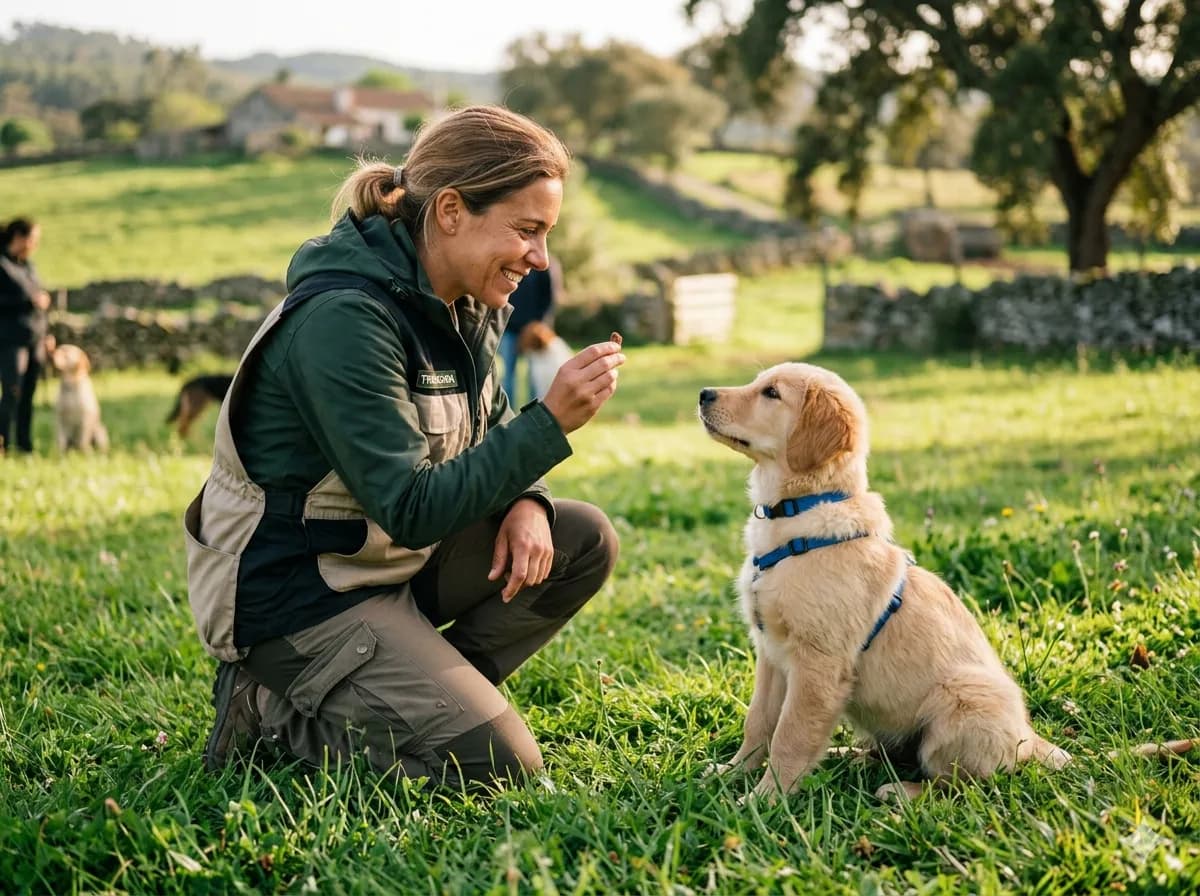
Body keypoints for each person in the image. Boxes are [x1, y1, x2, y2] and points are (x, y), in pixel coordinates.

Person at [186, 105, 626, 791]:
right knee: (501, 766)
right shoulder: (344, 320)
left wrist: (528, 501)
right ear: (450, 210)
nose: (540, 258)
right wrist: (552, 424)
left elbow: (492, 423)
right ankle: (269, 708)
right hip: (300, 594)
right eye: (528, 229)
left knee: (580, 539)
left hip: (383, 568)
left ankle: (419, 694)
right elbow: (411, 508)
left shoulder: (464, 302)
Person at [0, 218, 52, 455]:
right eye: (33, 239)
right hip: (10, 339)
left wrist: (47, 333)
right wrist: (27, 301)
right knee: (12, 392)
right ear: (19, 238)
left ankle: (24, 444)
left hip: (35, 338)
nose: (35, 245)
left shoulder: (28, 266)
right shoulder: (2, 265)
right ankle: (3, 442)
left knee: (28, 394)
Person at [499, 256, 563, 405]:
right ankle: (507, 415)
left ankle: (534, 412)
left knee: (536, 375)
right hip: (509, 328)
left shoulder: (545, 264)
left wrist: (539, 324)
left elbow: (550, 298)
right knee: (508, 374)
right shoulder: (510, 261)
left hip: (534, 332)